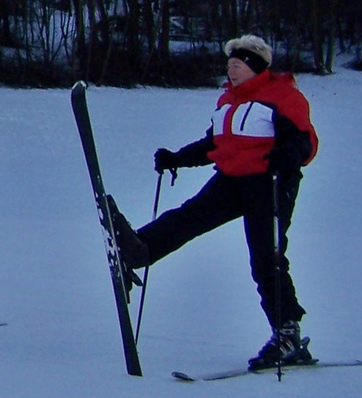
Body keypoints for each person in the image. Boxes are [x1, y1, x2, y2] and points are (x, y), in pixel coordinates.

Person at [108, 35, 319, 370]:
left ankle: (288, 333)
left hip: (270, 182)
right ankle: (140, 249)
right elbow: (213, 145)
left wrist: (288, 155)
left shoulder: (283, 96)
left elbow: (305, 140)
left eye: (237, 65)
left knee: (266, 256)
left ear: (255, 66)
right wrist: (177, 158)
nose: (231, 70)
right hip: (233, 179)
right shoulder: (228, 102)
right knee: (190, 215)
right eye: (229, 65)